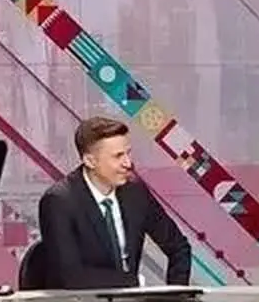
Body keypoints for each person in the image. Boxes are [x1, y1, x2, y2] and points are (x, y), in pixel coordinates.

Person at [38, 116, 190, 290]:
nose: (128, 163)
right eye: (118, 156)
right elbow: (71, 277)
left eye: (128, 153)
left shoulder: (135, 192)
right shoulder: (59, 201)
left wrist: (176, 295)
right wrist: (134, 282)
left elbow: (179, 247)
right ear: (90, 161)